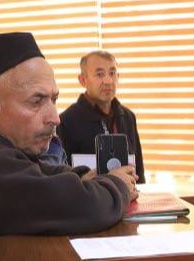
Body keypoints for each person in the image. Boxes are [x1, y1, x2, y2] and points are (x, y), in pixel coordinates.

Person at [0, 32, 137, 240]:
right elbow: (81, 206)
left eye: (54, 100)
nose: (55, 118)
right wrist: (117, 184)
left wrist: (84, 176)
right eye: (36, 101)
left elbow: (39, 172)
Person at [58, 50, 145, 179]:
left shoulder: (127, 117)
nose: (108, 81)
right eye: (100, 74)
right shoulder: (66, 121)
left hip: (127, 190)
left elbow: (139, 169)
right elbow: (62, 176)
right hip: (88, 191)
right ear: (83, 80)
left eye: (112, 73)